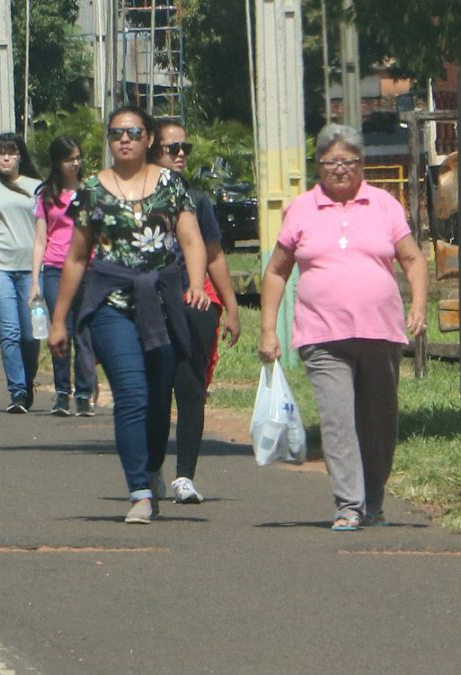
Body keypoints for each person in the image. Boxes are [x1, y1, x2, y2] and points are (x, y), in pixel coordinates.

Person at [258, 123, 429, 532]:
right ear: (319, 165)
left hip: (381, 332)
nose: (340, 170)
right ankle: (349, 505)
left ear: (361, 164)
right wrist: (268, 330)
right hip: (322, 335)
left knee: (380, 422)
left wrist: (419, 305)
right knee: (337, 420)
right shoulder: (300, 209)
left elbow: (413, 260)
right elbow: (277, 272)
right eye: (332, 162)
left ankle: (374, 500)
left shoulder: (384, 204)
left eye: (348, 162)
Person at [48, 105, 209, 524]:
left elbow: (191, 240)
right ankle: (138, 490)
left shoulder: (172, 184)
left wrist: (195, 283)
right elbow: (77, 257)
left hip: (163, 302)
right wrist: (59, 319)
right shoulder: (92, 190)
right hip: (111, 304)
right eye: (117, 132)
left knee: (158, 398)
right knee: (132, 394)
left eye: (134, 133)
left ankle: (152, 466)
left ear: (149, 139)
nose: (124, 139)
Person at [149, 121, 242, 504]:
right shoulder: (135, 196)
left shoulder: (199, 199)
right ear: (154, 151)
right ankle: (151, 468)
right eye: (173, 148)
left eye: (185, 147)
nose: (181, 154)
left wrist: (232, 307)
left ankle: (184, 476)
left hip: (197, 303)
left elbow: (215, 255)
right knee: (153, 393)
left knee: (190, 390)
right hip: (153, 303)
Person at [0, 133, 44, 414]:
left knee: (31, 335)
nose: (5, 158)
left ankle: (27, 381)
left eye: (11, 153)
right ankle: (17, 392)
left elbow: (45, 229)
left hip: (30, 270)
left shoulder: (37, 188)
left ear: (20, 156)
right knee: (11, 331)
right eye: (1, 153)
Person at [30, 135, 98, 417]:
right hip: (55, 268)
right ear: (57, 163)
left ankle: (84, 394)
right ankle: (61, 393)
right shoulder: (46, 194)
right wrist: (35, 280)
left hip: (88, 268)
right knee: (61, 331)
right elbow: (40, 239)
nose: (74, 164)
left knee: (85, 331)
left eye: (77, 158)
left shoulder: (91, 192)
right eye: (69, 159)